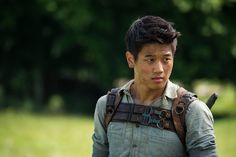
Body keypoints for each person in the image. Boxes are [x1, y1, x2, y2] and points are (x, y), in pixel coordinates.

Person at [92, 15, 217, 157]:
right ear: (131, 59)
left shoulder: (193, 112)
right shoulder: (107, 106)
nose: (159, 69)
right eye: (150, 59)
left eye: (166, 59)